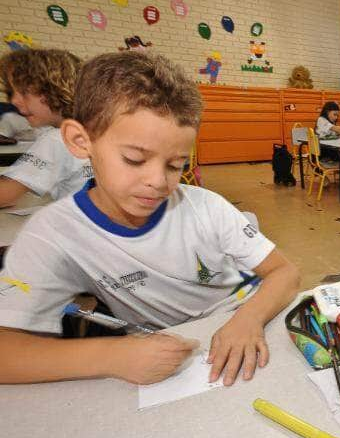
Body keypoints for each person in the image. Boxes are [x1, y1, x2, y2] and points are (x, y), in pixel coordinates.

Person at [0, 51, 300, 386]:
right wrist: (113, 355)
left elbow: (285, 272)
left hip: (251, 318)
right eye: (134, 159)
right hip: (177, 352)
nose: (159, 181)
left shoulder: (206, 207)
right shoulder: (53, 233)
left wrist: (249, 319)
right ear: (79, 140)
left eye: (175, 165)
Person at [0, 49, 92, 206]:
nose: (14, 101)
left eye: (23, 92)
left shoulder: (57, 139)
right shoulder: (91, 130)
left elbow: (4, 195)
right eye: (11, 92)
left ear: (55, 90)